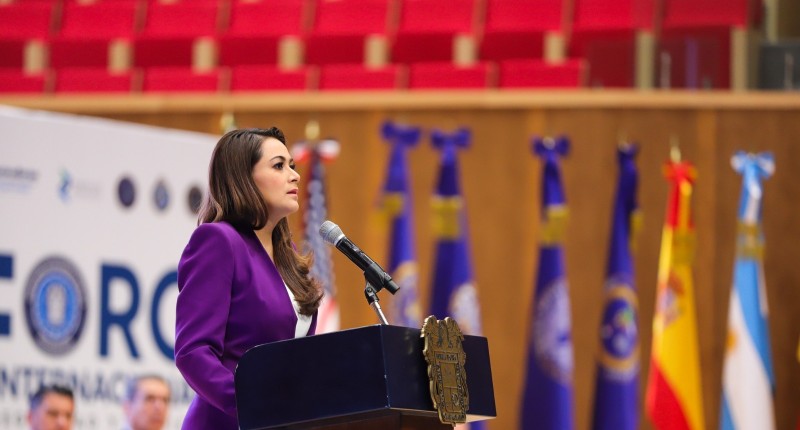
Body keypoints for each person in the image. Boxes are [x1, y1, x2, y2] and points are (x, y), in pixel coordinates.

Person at [174, 127, 323, 429]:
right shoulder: (218, 241)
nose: (295, 176)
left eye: (292, 166)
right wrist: (252, 403)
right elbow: (193, 352)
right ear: (244, 178)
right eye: (279, 166)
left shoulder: (289, 255)